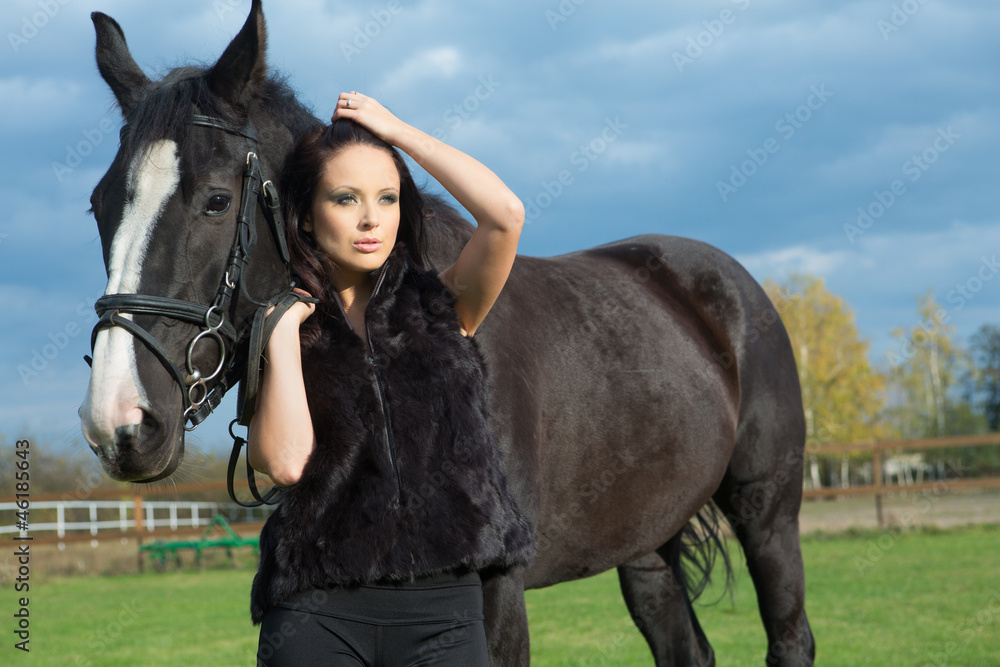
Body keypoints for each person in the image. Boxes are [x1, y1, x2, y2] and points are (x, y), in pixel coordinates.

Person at [247, 91, 538, 666]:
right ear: (307, 214)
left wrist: (397, 131)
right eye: (346, 198)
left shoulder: (442, 307)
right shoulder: (282, 329)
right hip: (317, 615)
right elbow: (284, 463)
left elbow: (505, 215)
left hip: (445, 615)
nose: (370, 219)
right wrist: (280, 337)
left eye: (387, 198)